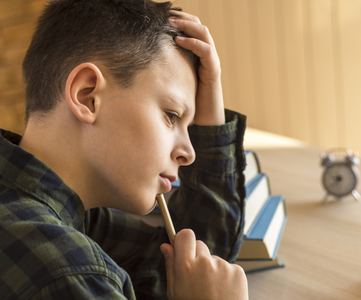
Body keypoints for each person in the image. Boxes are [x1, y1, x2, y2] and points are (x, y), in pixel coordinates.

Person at [0, 0, 249, 299]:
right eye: (171, 116)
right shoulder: (71, 276)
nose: (189, 153)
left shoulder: (65, 212)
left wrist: (209, 114)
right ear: (88, 96)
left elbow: (194, 270)